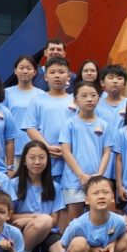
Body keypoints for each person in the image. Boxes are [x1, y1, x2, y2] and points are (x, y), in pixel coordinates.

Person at [59, 81, 112, 231]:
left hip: (97, 180)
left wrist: (99, 175)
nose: (89, 99)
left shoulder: (104, 125)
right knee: (74, 223)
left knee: (98, 220)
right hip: (74, 180)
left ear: (98, 99)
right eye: (84, 96)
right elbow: (65, 150)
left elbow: (107, 152)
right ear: (75, 100)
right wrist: (81, 175)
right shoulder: (69, 124)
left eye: (93, 95)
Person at [10, 140, 64, 252]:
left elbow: (54, 220)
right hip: (21, 232)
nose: (37, 162)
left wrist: (29, 218)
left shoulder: (55, 186)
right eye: (32, 158)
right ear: (24, 161)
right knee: (44, 220)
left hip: (47, 230)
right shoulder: (13, 184)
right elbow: (9, 216)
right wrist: (34, 218)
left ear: (47, 160)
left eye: (41, 157)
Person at [21, 57, 77, 190]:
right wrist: (46, 147)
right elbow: (30, 127)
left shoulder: (76, 101)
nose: (57, 75)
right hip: (45, 160)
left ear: (68, 76)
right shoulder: (37, 100)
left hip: (72, 161)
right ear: (46, 77)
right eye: (52, 72)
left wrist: (67, 150)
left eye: (61, 72)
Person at [4, 55, 45, 156]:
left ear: (35, 72)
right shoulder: (6, 93)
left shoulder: (42, 95)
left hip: (35, 150)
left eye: (29, 68)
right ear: (15, 71)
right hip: (11, 149)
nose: (25, 71)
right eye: (21, 68)